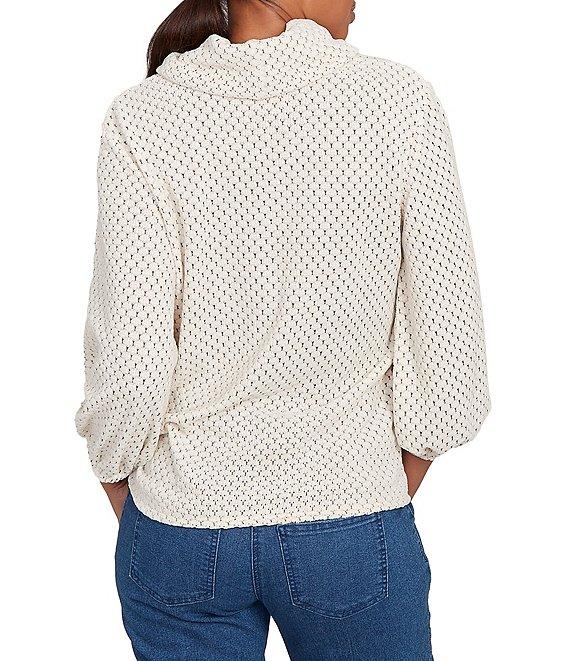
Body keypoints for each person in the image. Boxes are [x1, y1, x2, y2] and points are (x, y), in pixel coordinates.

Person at [75, 0, 490, 658]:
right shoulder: (399, 102)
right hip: (352, 525)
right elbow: (451, 362)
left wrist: (132, 491)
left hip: (181, 528)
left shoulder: (144, 117)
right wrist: (372, 489)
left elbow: (128, 366)